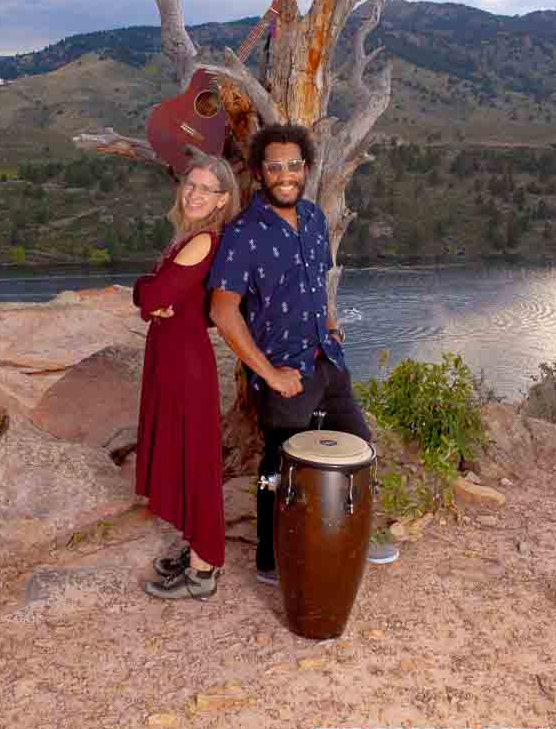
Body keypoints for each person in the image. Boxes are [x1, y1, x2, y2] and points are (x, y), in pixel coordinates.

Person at [209, 123, 398, 585]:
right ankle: (271, 559)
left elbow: (317, 279)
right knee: (281, 465)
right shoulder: (242, 234)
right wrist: (270, 375)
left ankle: (353, 536)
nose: (285, 174)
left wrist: (330, 321)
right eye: (274, 166)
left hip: (328, 361)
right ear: (258, 173)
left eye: (293, 165)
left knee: (359, 448)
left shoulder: (314, 219)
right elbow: (223, 311)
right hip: (286, 370)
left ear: (307, 168)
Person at [133, 149, 240, 600]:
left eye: (206, 190)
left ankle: (203, 570)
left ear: (222, 200)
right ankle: (198, 546)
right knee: (184, 456)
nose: (195, 194)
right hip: (174, 358)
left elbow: (151, 293)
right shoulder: (190, 237)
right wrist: (152, 302)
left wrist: (147, 297)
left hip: (184, 366)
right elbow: (156, 299)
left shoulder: (203, 242)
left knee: (195, 463)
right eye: (191, 185)